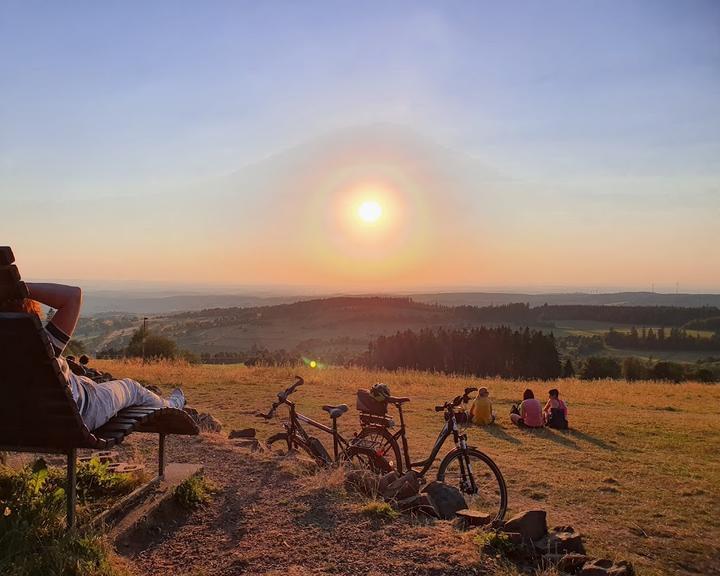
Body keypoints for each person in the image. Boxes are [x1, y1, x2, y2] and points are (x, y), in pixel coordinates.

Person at [0, 283, 186, 431]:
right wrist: (16, 286)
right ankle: (172, 405)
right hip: (85, 412)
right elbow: (73, 295)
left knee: (85, 380)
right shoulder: (40, 346)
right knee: (132, 387)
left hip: (23, 424)